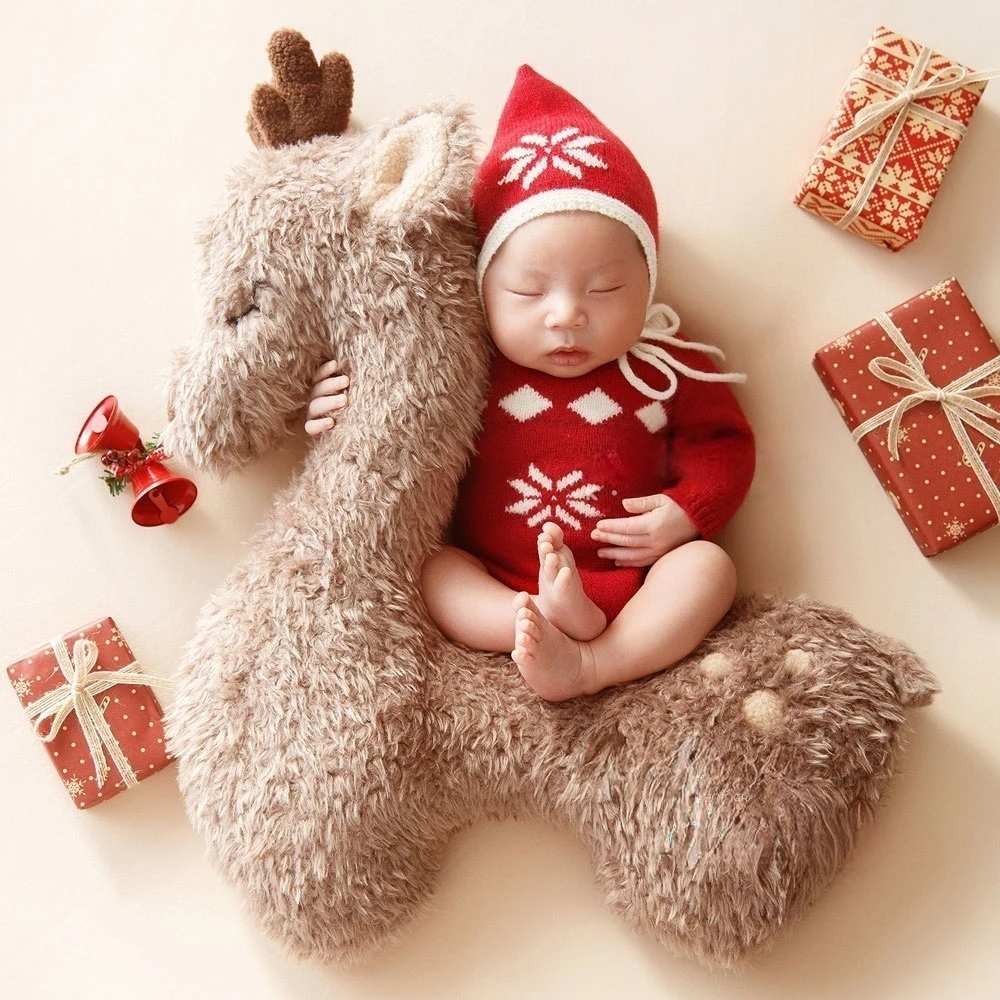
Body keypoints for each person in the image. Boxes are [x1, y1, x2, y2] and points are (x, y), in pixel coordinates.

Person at [304, 66, 755, 702]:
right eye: (528, 291)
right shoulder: (464, 363)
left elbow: (724, 444)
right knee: (437, 571)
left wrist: (688, 514)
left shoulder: (666, 367)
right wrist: (333, 401)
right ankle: (535, 619)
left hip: (636, 578)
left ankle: (598, 662)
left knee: (709, 569)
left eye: (605, 290)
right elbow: (390, 415)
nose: (566, 315)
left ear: (648, 284)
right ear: (484, 288)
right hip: (501, 580)